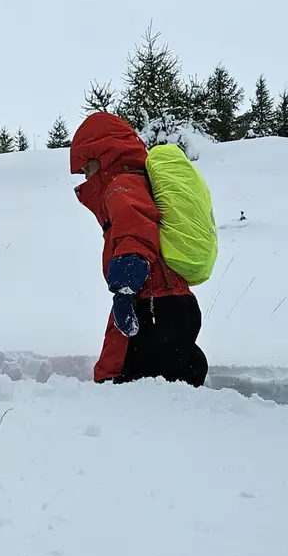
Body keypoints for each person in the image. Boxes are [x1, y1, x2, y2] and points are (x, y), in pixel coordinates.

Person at [69, 112, 208, 386]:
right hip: (173, 300)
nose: (86, 177)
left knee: (122, 380)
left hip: (151, 304)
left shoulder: (120, 186)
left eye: (87, 168)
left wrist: (124, 287)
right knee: (174, 376)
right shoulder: (137, 182)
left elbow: (136, 231)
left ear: (105, 156)